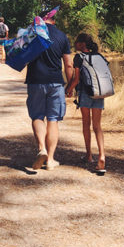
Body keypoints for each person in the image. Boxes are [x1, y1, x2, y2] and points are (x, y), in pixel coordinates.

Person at [24, 15, 73, 172]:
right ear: (53, 21)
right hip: (56, 82)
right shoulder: (61, 36)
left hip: (35, 81)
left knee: (37, 116)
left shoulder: (32, 33)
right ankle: (50, 160)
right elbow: (69, 64)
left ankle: (41, 149)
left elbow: (21, 56)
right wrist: (71, 85)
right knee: (53, 119)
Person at [65, 32, 107, 175]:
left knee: (86, 125)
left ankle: (89, 155)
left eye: (77, 42)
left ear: (82, 44)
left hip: (85, 94)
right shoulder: (99, 56)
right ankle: (102, 155)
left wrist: (68, 90)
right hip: (99, 93)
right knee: (97, 126)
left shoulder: (79, 57)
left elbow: (76, 80)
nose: (75, 44)